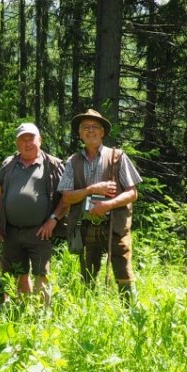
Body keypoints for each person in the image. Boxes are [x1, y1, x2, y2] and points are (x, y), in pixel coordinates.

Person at [58, 109, 142, 303]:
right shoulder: (73, 161)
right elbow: (67, 196)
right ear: (79, 134)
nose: (91, 131)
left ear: (103, 132)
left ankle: (131, 312)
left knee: (122, 269)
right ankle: (89, 311)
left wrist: (108, 205)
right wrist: (91, 189)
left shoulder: (117, 157)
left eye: (95, 127)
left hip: (115, 226)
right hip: (86, 226)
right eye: (85, 127)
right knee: (87, 272)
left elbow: (132, 193)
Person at [0, 122, 68, 303]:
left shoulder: (53, 165)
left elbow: (67, 198)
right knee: (18, 274)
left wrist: (53, 220)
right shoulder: (8, 164)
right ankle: (23, 311)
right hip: (11, 231)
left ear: (39, 140)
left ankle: (41, 316)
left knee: (42, 273)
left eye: (31, 138)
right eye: (22, 139)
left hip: (40, 231)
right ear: (17, 143)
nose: (27, 143)